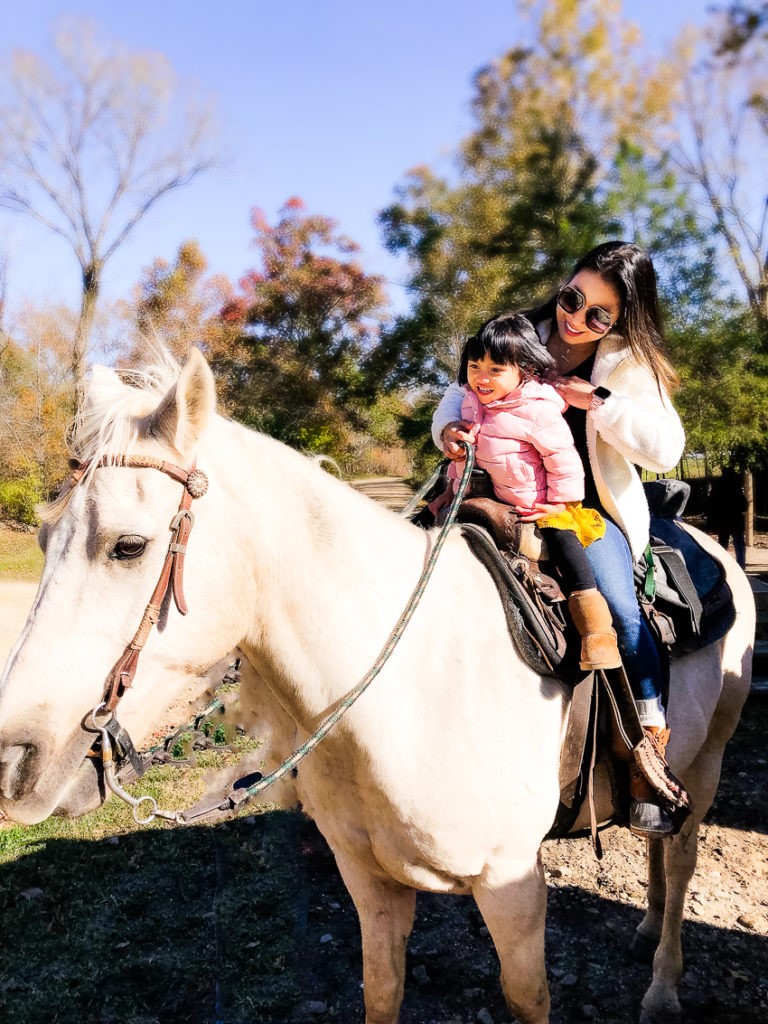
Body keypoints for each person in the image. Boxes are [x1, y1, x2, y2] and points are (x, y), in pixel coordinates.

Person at [432, 241, 685, 839]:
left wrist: (597, 403)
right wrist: (449, 430)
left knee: (621, 610)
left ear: (622, 319)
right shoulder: (520, 332)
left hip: (583, 508)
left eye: (599, 314)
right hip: (493, 492)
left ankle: (647, 750)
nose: (577, 318)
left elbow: (666, 448)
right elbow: (457, 393)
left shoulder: (632, 365)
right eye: (573, 298)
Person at [430, 312, 622, 672]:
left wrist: (560, 503)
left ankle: (595, 628)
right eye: (474, 367)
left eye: (495, 370)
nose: (481, 378)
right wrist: (453, 488)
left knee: (565, 543)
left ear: (525, 370)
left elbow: (562, 458)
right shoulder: (471, 402)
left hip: (539, 503)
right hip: (488, 498)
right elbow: (468, 458)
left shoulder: (538, 410)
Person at [707, 467, 747, 569]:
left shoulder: (717, 487)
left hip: (723, 520)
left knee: (722, 544)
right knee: (739, 544)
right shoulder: (736, 487)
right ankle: (741, 565)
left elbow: (711, 504)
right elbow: (744, 505)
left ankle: (721, 565)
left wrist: (712, 519)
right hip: (736, 519)